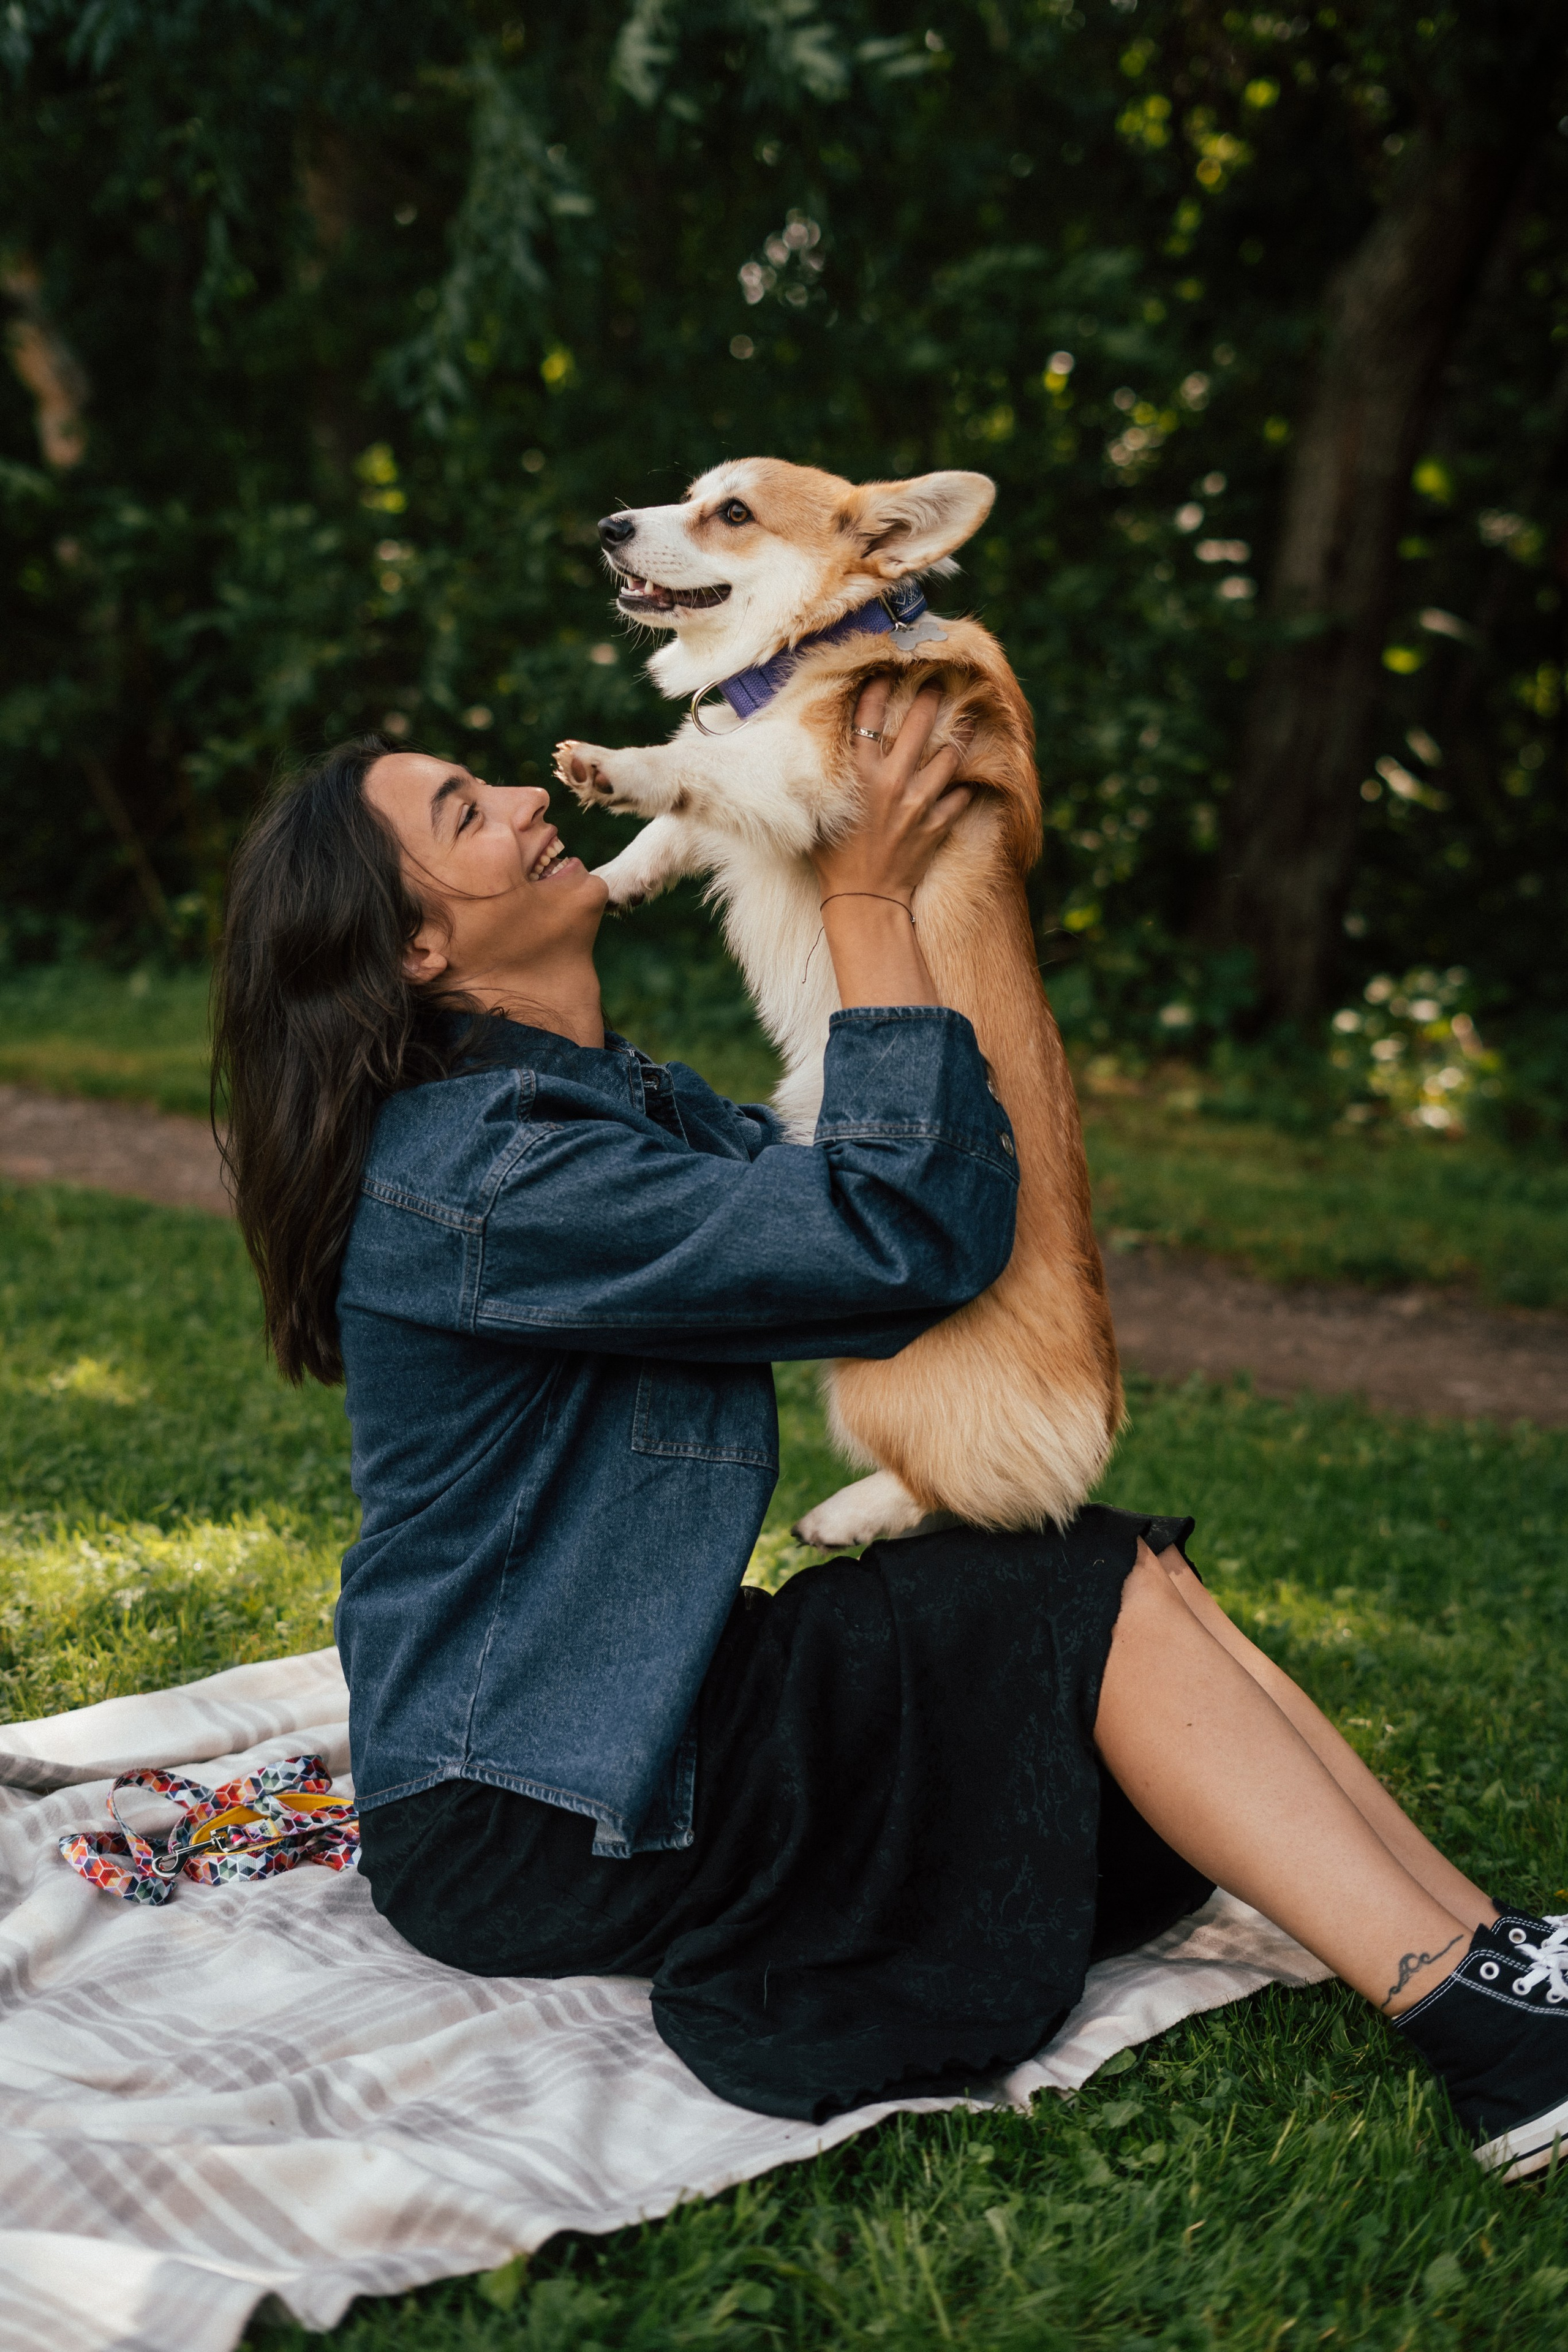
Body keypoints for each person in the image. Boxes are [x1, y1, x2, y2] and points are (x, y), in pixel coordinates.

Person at [214, 682, 1568, 2176]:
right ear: (417, 948)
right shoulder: (482, 1176)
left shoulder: (592, 1108)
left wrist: (895, 904)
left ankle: (1499, 1954)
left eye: (492, 785)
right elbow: (894, 1232)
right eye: (465, 815)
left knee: (1106, 1571)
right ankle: (1487, 2032)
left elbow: (925, 1215)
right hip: (530, 1808)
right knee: (1062, 1590)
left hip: (638, 1726)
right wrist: (858, 890)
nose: (531, 804)